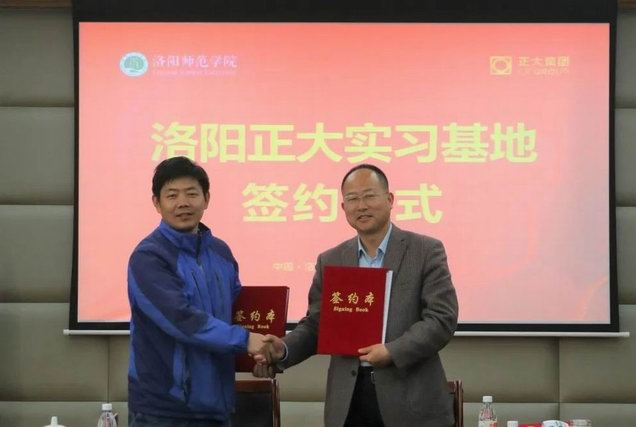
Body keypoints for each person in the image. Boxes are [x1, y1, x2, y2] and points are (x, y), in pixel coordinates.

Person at [255, 164, 459, 427]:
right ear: (343, 207)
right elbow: (317, 325)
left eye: (369, 196)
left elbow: (441, 319)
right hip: (349, 402)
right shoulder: (331, 259)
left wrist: (392, 351)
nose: (361, 206)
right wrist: (283, 348)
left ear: (390, 199)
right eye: (352, 199)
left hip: (410, 400)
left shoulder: (425, 250)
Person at [127, 156, 269, 426]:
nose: (183, 203)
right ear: (157, 203)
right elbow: (180, 320)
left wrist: (260, 355)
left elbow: (237, 312)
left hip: (218, 405)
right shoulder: (149, 257)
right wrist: (246, 341)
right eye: (172, 195)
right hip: (163, 410)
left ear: (206, 199)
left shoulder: (221, 252)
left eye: (191, 193)